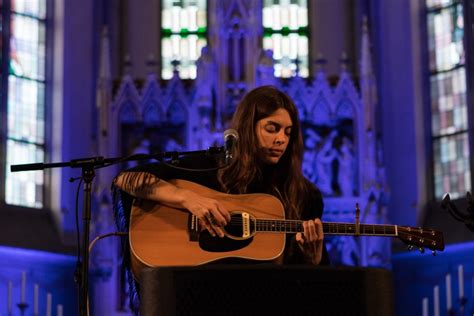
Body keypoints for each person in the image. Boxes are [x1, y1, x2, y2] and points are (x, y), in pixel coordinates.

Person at [111, 85, 329, 312]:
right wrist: (187, 198)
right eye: (272, 128)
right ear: (247, 128)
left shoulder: (304, 195)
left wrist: (313, 260)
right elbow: (127, 179)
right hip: (200, 300)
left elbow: (309, 288)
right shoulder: (211, 168)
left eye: (288, 132)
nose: (281, 139)